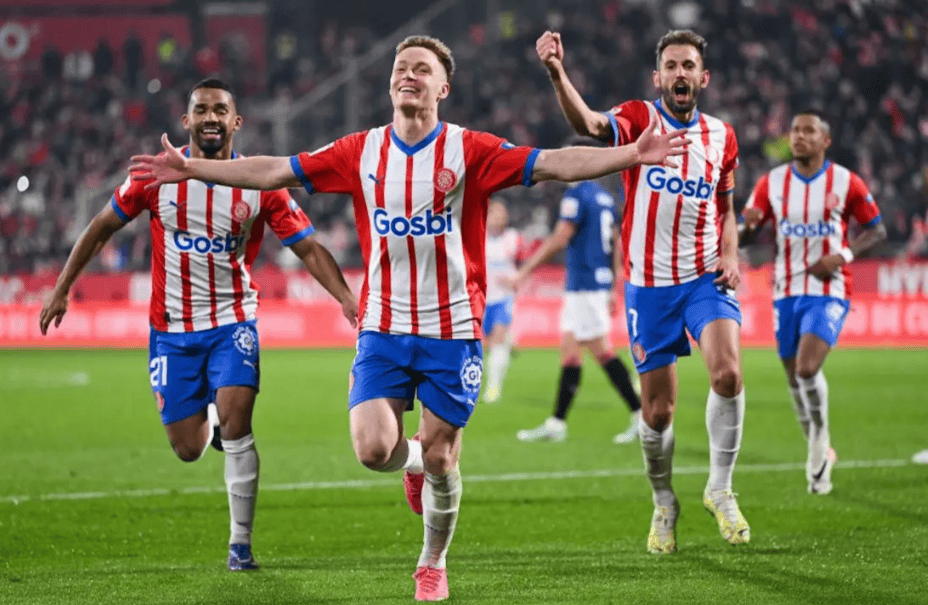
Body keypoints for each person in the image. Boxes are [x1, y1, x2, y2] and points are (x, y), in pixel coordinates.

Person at [129, 36, 686, 601]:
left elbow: (551, 162)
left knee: (444, 458)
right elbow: (276, 170)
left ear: (443, 88)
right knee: (374, 450)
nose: (409, 75)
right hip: (384, 329)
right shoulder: (361, 151)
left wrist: (629, 155)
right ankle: (411, 459)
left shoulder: (469, 150)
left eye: (422, 69)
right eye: (401, 67)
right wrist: (191, 167)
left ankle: (432, 562)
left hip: (452, 331)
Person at [39, 78, 359, 571]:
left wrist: (345, 297)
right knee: (188, 448)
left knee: (238, 425)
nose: (211, 118)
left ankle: (240, 545)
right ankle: (210, 419)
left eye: (220, 110)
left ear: (236, 122)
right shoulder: (155, 178)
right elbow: (102, 225)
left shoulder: (260, 184)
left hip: (233, 322)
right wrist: (63, 287)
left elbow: (308, 247)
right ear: (187, 121)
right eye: (202, 110)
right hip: (172, 331)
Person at [536, 29, 748, 554]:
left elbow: (725, 209)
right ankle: (663, 501)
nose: (680, 73)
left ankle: (720, 489)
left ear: (703, 77)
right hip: (649, 285)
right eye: (671, 65)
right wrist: (557, 72)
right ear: (659, 77)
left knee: (728, 374)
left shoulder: (722, 136)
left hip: (703, 277)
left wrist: (730, 252)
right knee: (657, 413)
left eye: (688, 65)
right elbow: (587, 125)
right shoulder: (637, 118)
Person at [741, 110, 886, 495]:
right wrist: (747, 227)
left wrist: (843, 256)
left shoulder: (846, 182)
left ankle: (820, 440)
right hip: (785, 289)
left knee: (807, 368)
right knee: (793, 377)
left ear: (826, 140)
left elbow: (877, 230)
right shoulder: (771, 182)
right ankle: (817, 443)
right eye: (795, 130)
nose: (799, 136)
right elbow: (745, 233)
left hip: (829, 288)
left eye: (808, 131)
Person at [511, 177, 642, 444]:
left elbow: (560, 237)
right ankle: (557, 424)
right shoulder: (604, 197)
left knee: (602, 351)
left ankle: (642, 416)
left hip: (585, 284)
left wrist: (524, 271)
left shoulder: (576, 195)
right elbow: (616, 241)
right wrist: (613, 284)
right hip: (593, 284)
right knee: (570, 354)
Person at [482, 199, 521, 403]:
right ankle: (508, 341)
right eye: (495, 215)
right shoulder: (478, 238)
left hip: (503, 298)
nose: (500, 219)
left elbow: (522, 264)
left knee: (497, 341)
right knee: (489, 344)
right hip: (482, 299)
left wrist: (515, 278)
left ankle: (493, 388)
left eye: (502, 216)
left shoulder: (513, 238)